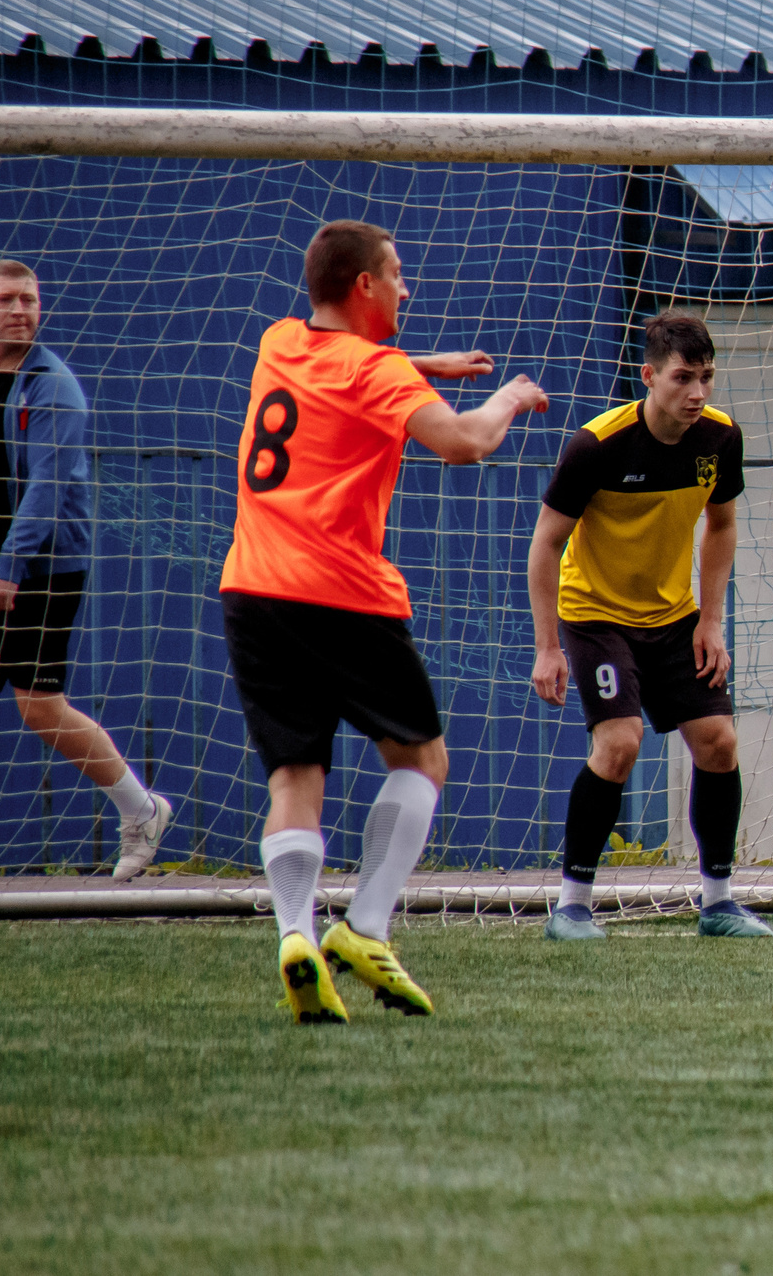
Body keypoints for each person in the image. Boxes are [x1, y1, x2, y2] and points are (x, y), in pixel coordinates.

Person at [224, 220, 548, 1023]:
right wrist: (508, 395)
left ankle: (296, 935)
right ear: (364, 285)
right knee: (422, 759)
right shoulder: (378, 375)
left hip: (252, 589)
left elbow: (352, 367)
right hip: (341, 592)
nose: (407, 287)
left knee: (295, 777)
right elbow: (464, 443)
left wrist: (422, 363)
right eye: (397, 274)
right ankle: (365, 925)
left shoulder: (280, 341)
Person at [0, 260, 171, 883]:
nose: (21, 310)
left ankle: (140, 809)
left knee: (37, 707)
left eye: (31, 300)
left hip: (39, 567)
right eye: (7, 299)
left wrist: (10, 569)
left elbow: (47, 485)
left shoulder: (51, 386)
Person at [529, 310, 766, 942]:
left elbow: (721, 525)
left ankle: (718, 904)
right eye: (683, 378)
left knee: (718, 742)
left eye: (707, 378)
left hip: (672, 618)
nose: (697, 393)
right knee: (621, 743)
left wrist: (711, 620)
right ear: (649, 376)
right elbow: (547, 544)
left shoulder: (720, 439)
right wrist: (547, 648)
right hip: (595, 616)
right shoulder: (595, 446)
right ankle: (572, 906)